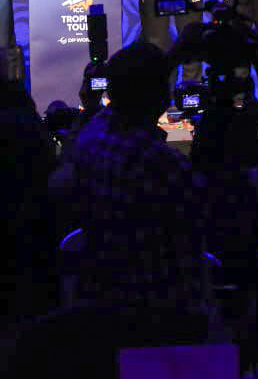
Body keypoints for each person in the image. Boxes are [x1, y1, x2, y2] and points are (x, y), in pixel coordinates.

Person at [57, 41, 208, 312]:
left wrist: (90, 105)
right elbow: (195, 244)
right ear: (162, 98)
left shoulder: (90, 138)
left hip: (96, 301)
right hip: (158, 308)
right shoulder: (164, 165)